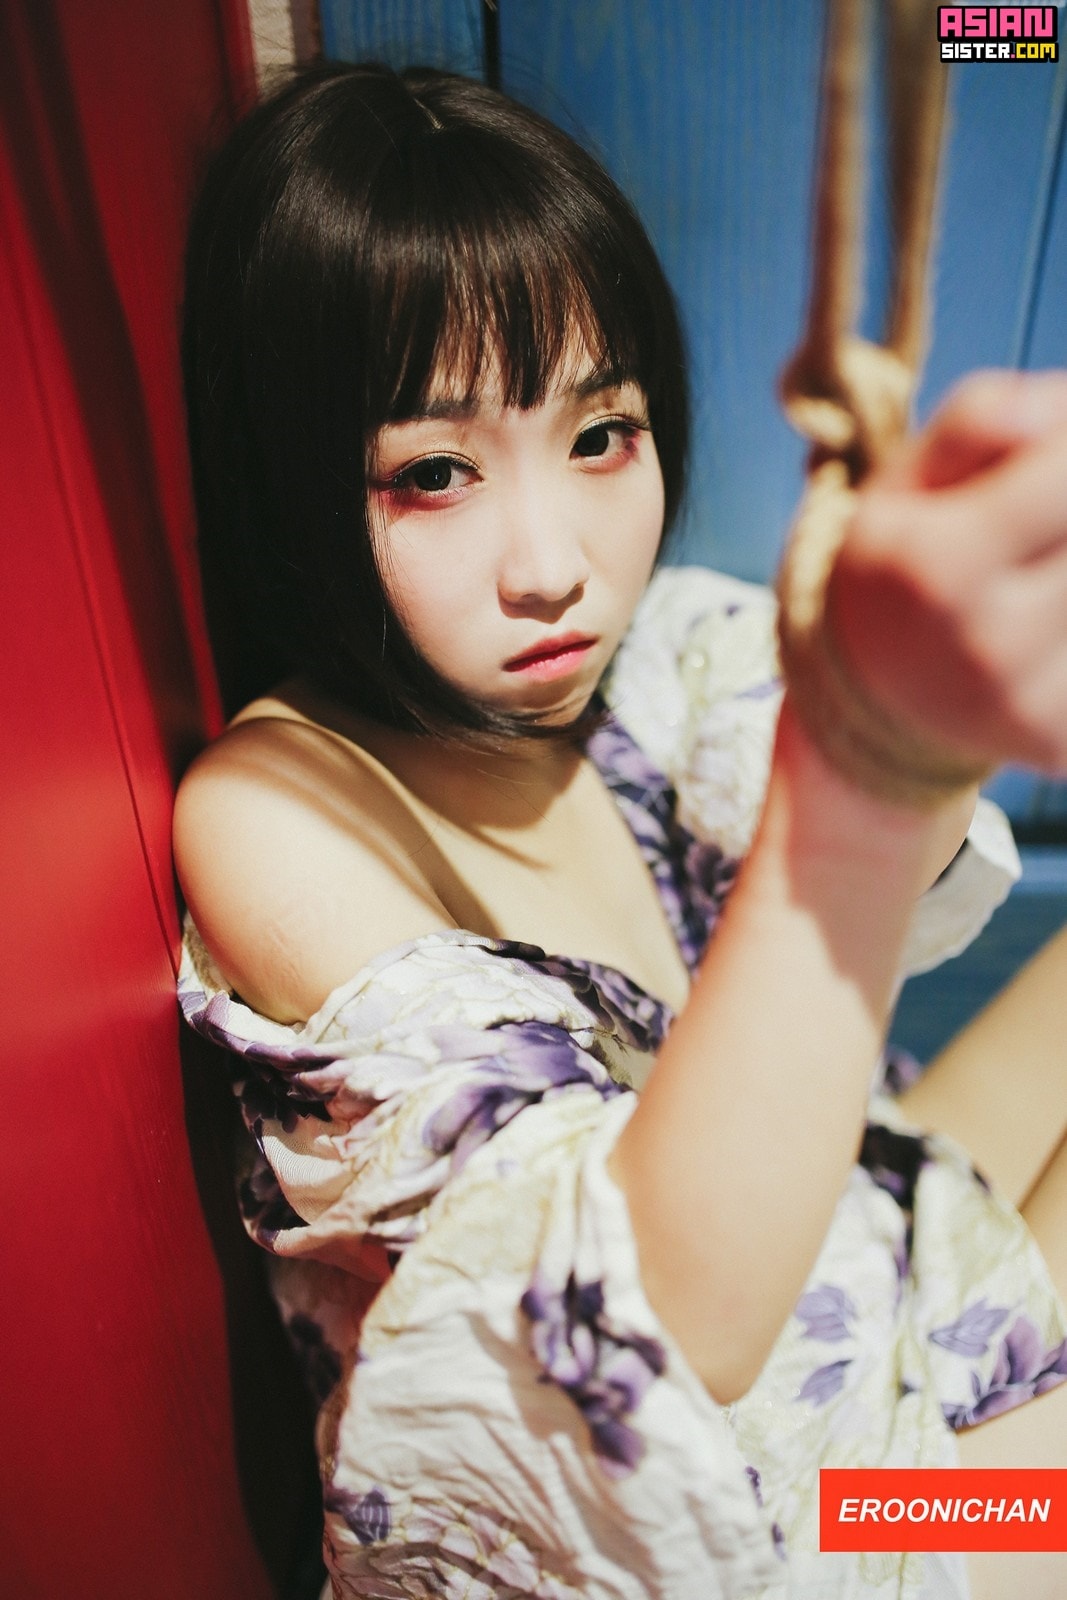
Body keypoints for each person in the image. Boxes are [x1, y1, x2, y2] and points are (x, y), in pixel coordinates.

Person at [174, 61, 1067, 1600]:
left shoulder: (648, 666)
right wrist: (869, 759)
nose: (554, 566)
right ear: (292, 484)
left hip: (864, 1280)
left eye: (600, 436)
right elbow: (649, 1335)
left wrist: (927, 702)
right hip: (791, 1527)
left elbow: (897, 856)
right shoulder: (277, 806)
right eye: (434, 472)